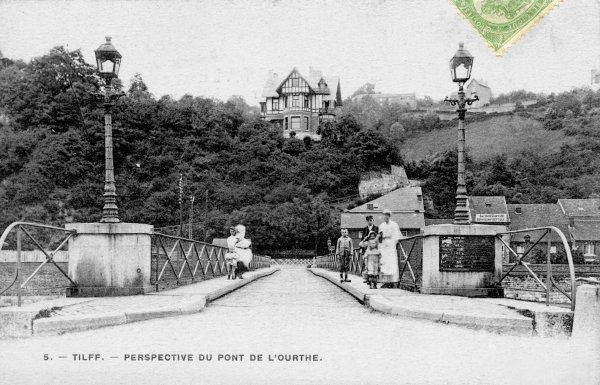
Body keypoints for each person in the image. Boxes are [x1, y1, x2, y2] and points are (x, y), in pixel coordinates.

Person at [378, 209, 401, 288]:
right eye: (384, 215)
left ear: (389, 216)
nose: (385, 217)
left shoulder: (394, 225)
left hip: (391, 246)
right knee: (384, 263)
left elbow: (396, 235)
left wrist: (392, 242)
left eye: (387, 215)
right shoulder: (381, 226)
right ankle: (386, 282)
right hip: (384, 246)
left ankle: (393, 281)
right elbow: (379, 237)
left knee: (391, 263)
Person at [359, 215, 379, 282]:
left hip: (374, 248)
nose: (370, 222)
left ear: (373, 220)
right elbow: (362, 239)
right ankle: (368, 279)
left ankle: (375, 279)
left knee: (374, 263)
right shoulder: (364, 229)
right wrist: (361, 248)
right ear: (366, 221)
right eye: (368, 220)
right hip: (366, 248)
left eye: (371, 220)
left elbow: (378, 238)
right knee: (366, 263)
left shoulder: (376, 228)